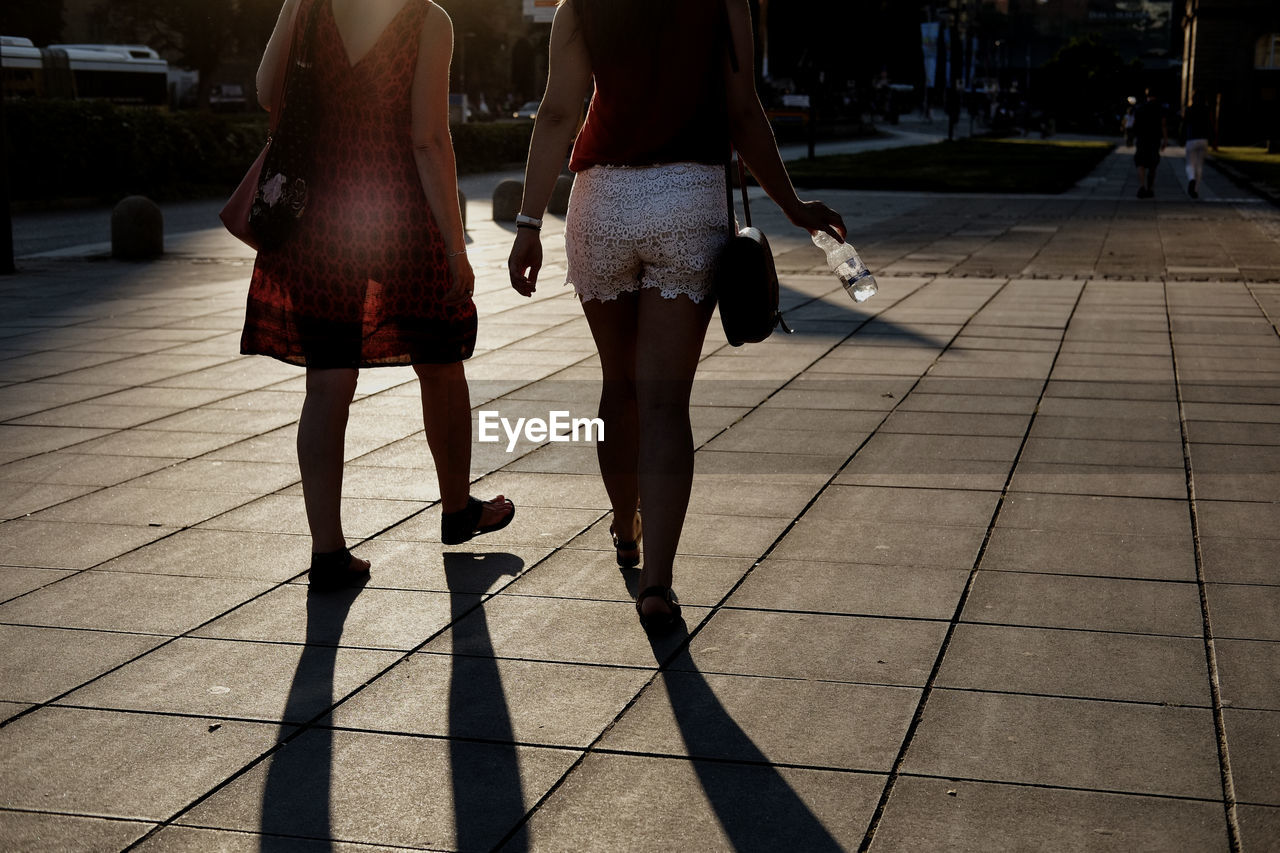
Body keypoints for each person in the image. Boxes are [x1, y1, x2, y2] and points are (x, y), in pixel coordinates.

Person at [507, 0, 846, 633]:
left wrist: (528, 223)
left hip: (602, 201)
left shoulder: (580, 5)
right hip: (687, 200)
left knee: (620, 386)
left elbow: (557, 111)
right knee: (664, 403)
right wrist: (792, 204)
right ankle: (657, 584)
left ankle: (625, 526)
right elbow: (744, 111)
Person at [243, 0, 514, 590]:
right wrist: (454, 247)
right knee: (441, 361)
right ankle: (456, 509)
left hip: (317, 222)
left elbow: (268, 91)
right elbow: (427, 140)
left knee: (328, 383)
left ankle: (328, 552)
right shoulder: (426, 19)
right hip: (398, 216)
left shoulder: (309, 6)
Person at [1132, 88, 1167, 199]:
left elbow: (1134, 124)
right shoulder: (1160, 108)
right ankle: (1150, 188)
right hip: (1154, 139)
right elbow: (1163, 125)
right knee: (1153, 164)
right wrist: (1165, 139)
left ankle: (1142, 185)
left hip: (1142, 138)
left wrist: (1132, 137)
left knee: (1140, 162)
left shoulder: (1140, 108)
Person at [1183, 91, 1213, 199]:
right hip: (1203, 139)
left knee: (1190, 164)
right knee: (1199, 165)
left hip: (1191, 138)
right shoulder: (1207, 110)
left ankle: (1191, 179)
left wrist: (1182, 138)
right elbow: (1210, 124)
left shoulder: (1189, 109)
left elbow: (1185, 124)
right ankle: (1195, 189)